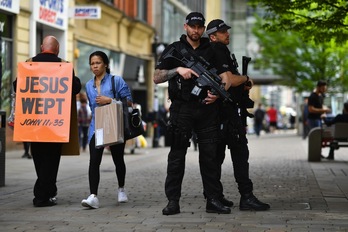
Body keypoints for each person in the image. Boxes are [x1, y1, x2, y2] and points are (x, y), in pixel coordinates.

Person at [153, 12, 237, 215]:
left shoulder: (213, 49)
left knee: (210, 157)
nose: (196, 30)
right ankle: (173, 201)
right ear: (185, 27)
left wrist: (218, 95)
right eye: (193, 27)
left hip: (208, 109)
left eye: (200, 27)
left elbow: (226, 77)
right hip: (182, 109)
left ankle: (213, 199)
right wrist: (177, 70)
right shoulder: (174, 49)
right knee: (176, 157)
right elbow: (156, 77)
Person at [207, 19, 270, 211]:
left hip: (219, 114)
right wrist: (245, 78)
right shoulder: (218, 49)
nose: (227, 34)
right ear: (213, 36)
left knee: (216, 157)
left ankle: (214, 197)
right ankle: (246, 197)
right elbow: (229, 79)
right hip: (226, 113)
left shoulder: (215, 50)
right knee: (240, 153)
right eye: (223, 31)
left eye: (227, 30)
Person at [13, 35, 82, 207]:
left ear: (42, 47)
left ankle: (47, 192)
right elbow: (75, 88)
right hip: (55, 124)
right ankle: (42, 196)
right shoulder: (64, 66)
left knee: (38, 158)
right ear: (57, 49)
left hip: (33, 123)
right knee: (52, 161)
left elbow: (17, 86)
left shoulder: (29, 64)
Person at [81, 51, 132, 209]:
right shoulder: (88, 85)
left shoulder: (116, 81)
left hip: (114, 125)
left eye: (98, 63)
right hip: (96, 127)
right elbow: (92, 106)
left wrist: (110, 100)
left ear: (105, 64)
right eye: (92, 63)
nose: (95, 66)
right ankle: (93, 196)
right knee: (94, 161)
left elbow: (129, 103)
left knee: (118, 159)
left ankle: (121, 188)